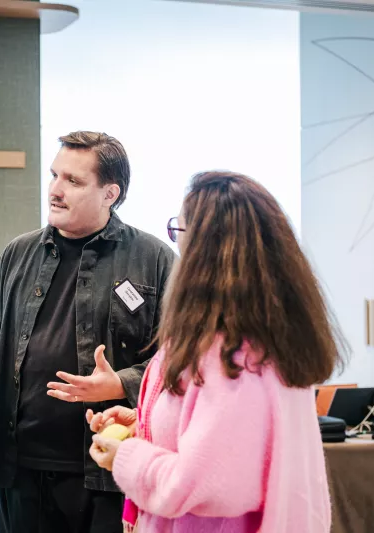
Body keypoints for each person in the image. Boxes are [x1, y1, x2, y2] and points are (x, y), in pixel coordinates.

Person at [87, 171, 344, 533]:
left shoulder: (234, 358)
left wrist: (126, 458)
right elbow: (219, 438)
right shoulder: (260, 338)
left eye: (179, 231)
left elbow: (205, 484)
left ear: (207, 250)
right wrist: (146, 423)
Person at [0, 131, 176, 533]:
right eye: (54, 175)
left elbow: (177, 361)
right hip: (20, 467)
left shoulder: (155, 259)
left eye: (73, 181)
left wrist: (120, 383)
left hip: (108, 466)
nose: (55, 190)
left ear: (110, 193)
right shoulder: (18, 252)